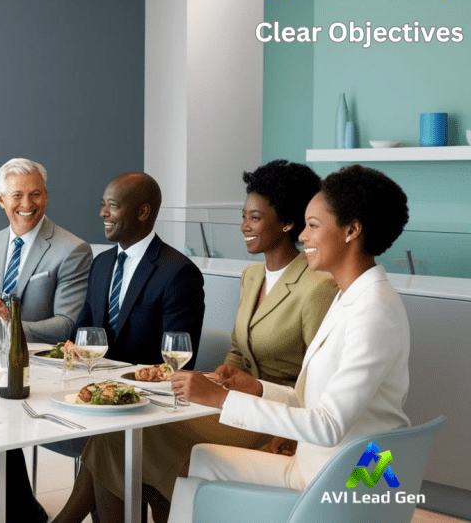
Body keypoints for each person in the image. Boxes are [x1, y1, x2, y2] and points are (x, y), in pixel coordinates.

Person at [167, 165, 412, 523]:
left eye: (313, 225)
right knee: (204, 457)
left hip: (344, 479)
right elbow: (311, 401)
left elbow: (328, 425)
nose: (303, 235)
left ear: (352, 230)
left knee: (199, 470)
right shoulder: (349, 298)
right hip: (318, 463)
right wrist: (258, 388)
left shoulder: (374, 310)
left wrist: (221, 399)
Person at [0, 157, 93, 523]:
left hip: (40, 366)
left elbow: (66, 324)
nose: (27, 204)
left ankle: (10, 507)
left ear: (47, 196)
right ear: (1, 200)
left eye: (35, 194)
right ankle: (12, 506)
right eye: (17, 195)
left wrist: (12, 321)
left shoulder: (71, 249)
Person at [52, 171, 206, 523]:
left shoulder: (178, 272)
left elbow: (178, 359)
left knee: (110, 443)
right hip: (99, 397)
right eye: (102, 206)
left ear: (142, 212)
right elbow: (86, 325)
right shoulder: (102, 263)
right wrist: (73, 346)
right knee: (107, 441)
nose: (103, 214)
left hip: (150, 407)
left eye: (112, 206)